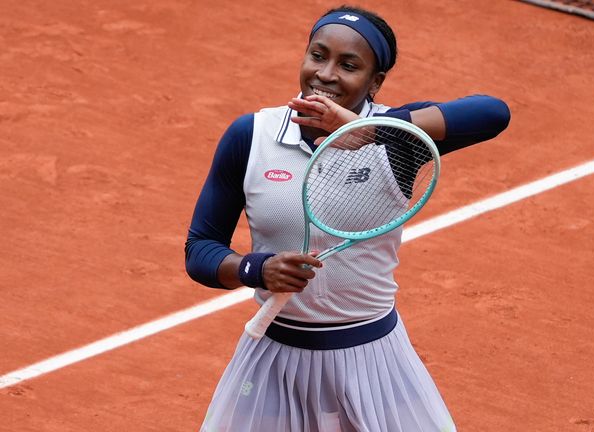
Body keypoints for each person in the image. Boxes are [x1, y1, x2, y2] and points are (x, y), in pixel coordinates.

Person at [185, 5, 510, 432]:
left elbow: (493, 112)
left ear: (375, 82)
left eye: (349, 65)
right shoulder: (251, 136)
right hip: (273, 358)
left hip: (373, 358)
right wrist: (256, 268)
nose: (326, 74)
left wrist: (372, 129)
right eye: (317, 56)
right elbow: (200, 250)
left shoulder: (398, 140)